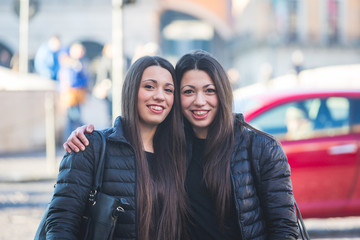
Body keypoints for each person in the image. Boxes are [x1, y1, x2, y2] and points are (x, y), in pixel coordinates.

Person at [64, 50, 300, 239]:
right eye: (188, 91)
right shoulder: (170, 145)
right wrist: (87, 137)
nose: (200, 101)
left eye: (210, 91)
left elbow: (285, 230)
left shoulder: (260, 149)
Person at [46, 56, 188, 240]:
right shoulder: (90, 145)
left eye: (168, 90)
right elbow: (61, 224)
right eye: (149, 86)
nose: (160, 96)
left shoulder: (180, 154)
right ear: (131, 90)